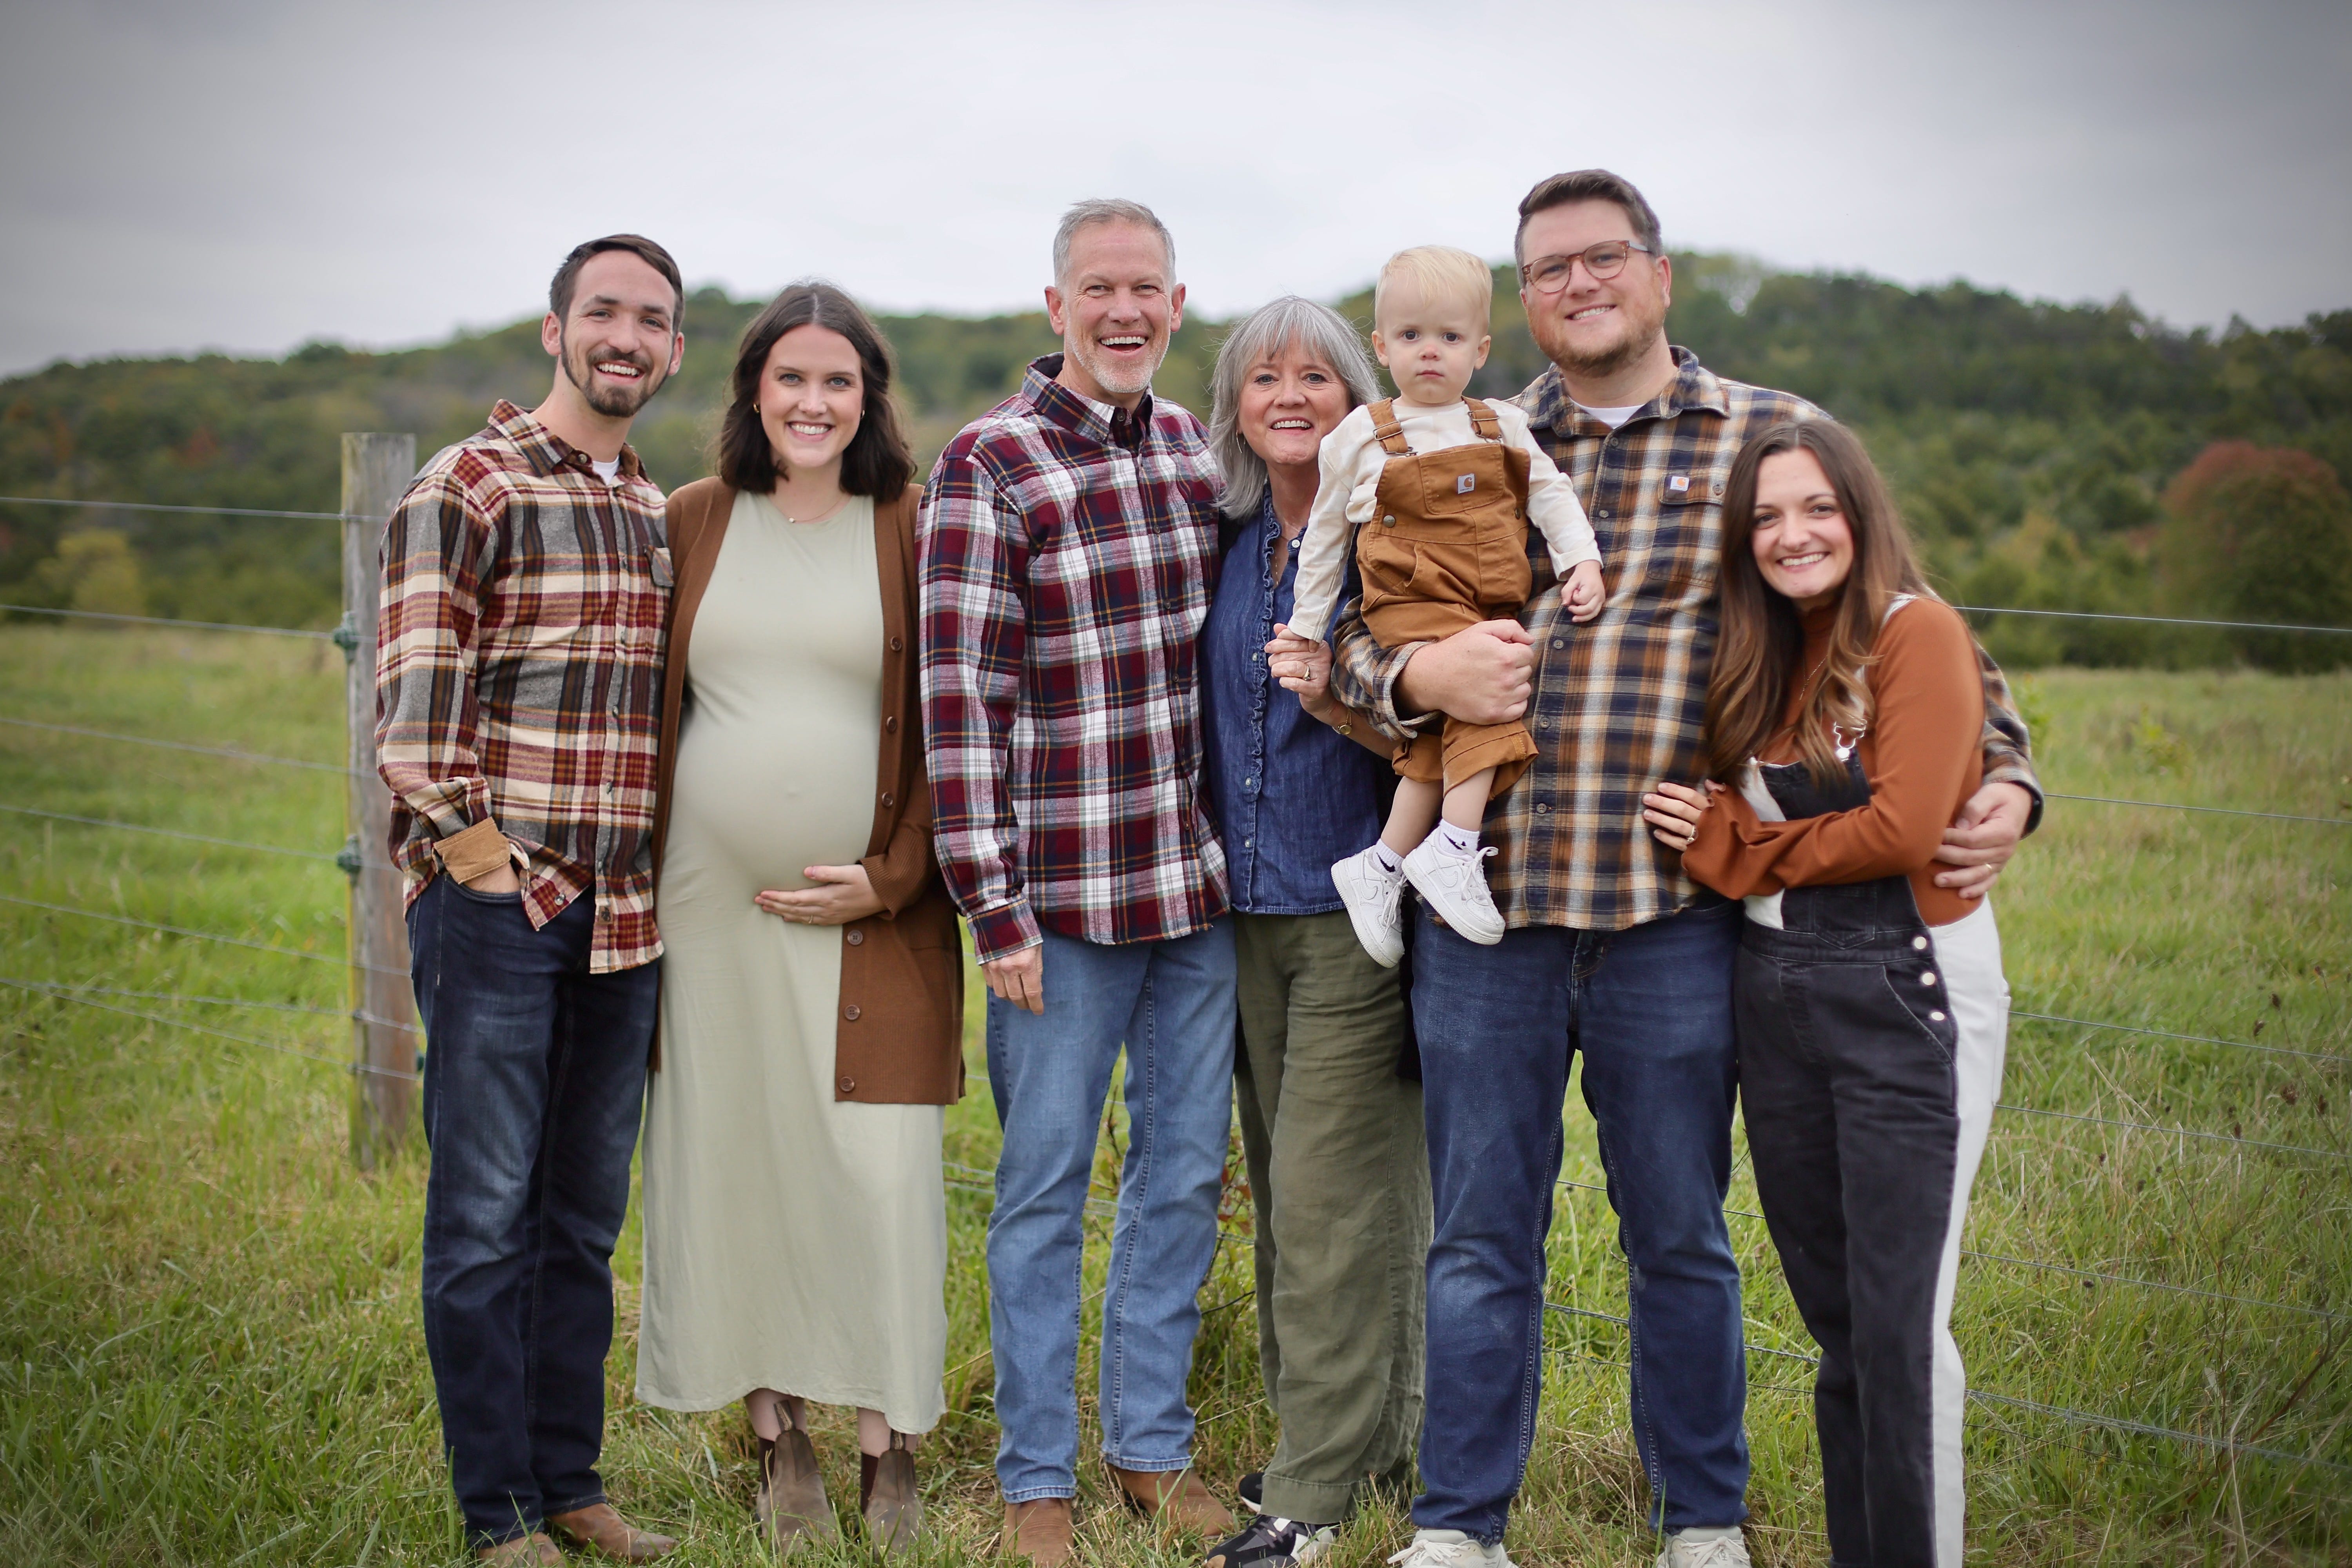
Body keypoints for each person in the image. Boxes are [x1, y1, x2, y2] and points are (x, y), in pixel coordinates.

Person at [1310, 170, 2043, 1568]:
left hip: (1677, 916)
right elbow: (1347, 618)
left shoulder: (1772, 436)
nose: (1578, 285)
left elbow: (1900, 621)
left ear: (1659, 273)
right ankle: (1461, 1528)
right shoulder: (1471, 432)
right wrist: (1415, 675)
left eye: (1604, 258)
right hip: (1490, 903)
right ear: (1521, 303)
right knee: (1480, 1237)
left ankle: (1701, 1519)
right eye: (1548, 269)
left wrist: (2007, 774)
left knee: (1681, 1235)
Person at [918, 198, 1237, 1567]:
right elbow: (960, 703)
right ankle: (1036, 1476)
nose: (1124, 310)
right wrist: (992, 911)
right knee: (1045, 1189)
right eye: (1098, 288)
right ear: (1057, 307)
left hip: (1194, 896)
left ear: (1178, 305)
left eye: (1146, 288)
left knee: (1182, 1177)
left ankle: (1149, 1446)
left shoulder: (1195, 451)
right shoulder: (989, 462)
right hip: (1057, 907)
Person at [634, 282, 963, 1557]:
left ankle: (889, 1442)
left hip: (871, 919)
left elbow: (955, 721)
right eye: (792, 380)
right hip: (709, 911)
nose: (814, 403)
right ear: (754, 392)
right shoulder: (695, 518)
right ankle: (779, 1433)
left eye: (839, 382)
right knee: (740, 1157)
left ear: (868, 399)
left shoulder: (913, 522)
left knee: (878, 1172)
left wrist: (895, 875)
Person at [1647, 419, 2009, 1568]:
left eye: (1817, 508)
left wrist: (1739, 847)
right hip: (1775, 993)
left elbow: (1904, 828)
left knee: (1900, 1327)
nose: (1792, 535)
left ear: (1860, 513)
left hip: (1908, 990)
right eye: (1766, 517)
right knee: (1840, 1323)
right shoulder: (1757, 651)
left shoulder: (1916, 631)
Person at [377, 234, 686, 1565]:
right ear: (556, 329)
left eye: (652, 321)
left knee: (582, 1220)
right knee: (484, 1216)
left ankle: (571, 1483)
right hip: (504, 909)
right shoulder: (471, 486)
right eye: (603, 312)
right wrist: (479, 865)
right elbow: (415, 707)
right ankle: (496, 1511)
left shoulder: (655, 509)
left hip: (627, 919)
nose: (626, 338)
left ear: (673, 350)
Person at [1195, 297, 1430, 1568]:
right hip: (1244, 917)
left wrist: (1339, 694)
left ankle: (1313, 1497)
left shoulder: (1394, 537)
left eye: (1317, 377)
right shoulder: (1227, 542)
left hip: (1356, 910)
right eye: (1263, 378)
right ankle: (1360, 1444)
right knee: (1296, 1197)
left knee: (1340, 1201)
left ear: (1358, 400)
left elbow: (1441, 727)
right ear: (1234, 406)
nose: (1290, 396)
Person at [1279, 246, 1603, 961]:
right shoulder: (1362, 434)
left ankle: (1383, 863)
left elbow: (1551, 497)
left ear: (1480, 350)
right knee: (1490, 697)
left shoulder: (1501, 425)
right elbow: (1325, 540)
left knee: (1440, 736)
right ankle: (1454, 844)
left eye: (1450, 337)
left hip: (1484, 597)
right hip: (1410, 598)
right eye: (1411, 335)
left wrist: (1582, 560)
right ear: (1381, 346)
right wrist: (1306, 629)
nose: (1430, 351)